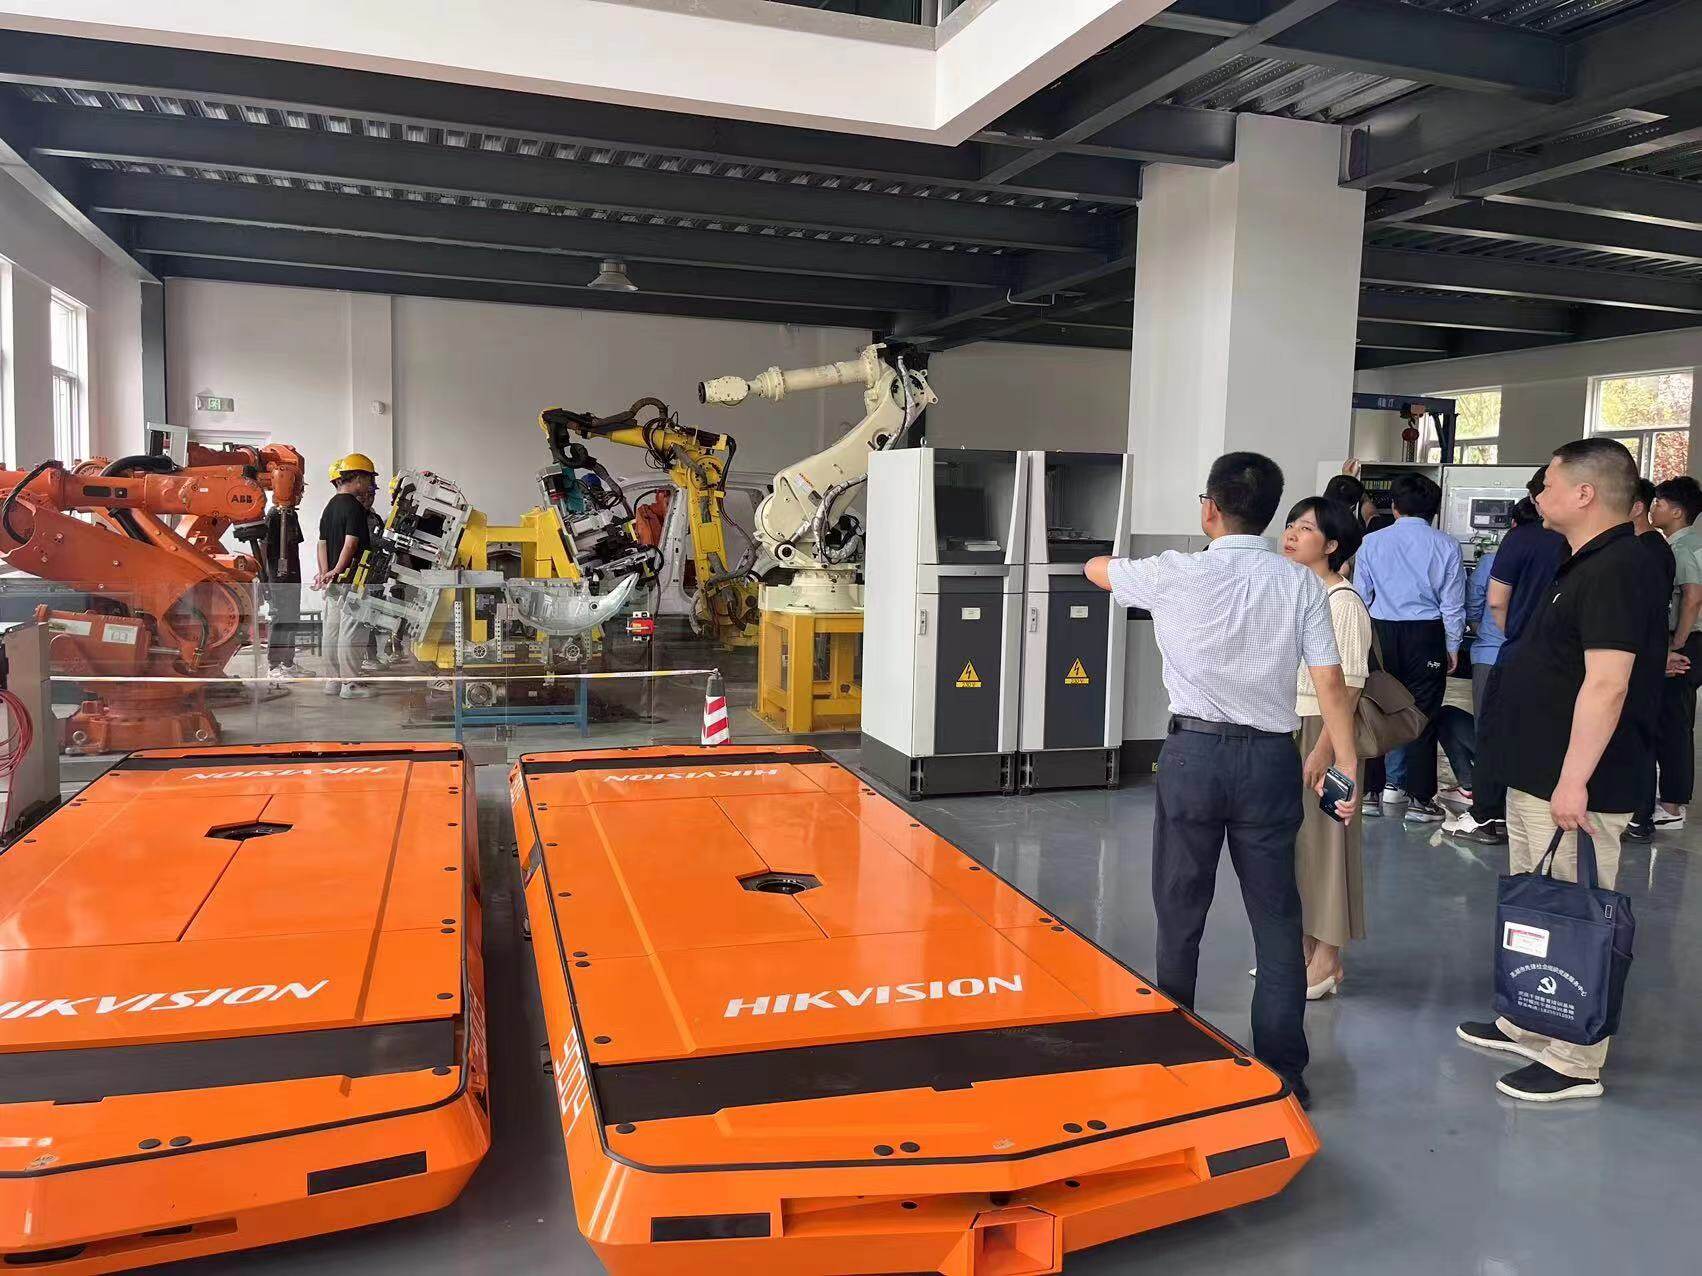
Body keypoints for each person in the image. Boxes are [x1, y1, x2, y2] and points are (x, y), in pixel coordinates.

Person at [1085, 452, 1359, 1104]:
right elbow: (1329, 681)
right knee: (1277, 916)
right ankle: (1284, 1072)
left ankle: (1174, 1049)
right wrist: (1346, 761)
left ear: (1209, 509)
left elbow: (1097, 569)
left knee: (1180, 908)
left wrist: (1113, 563)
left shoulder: (1172, 572)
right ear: (1270, 515)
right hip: (1270, 760)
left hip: (1193, 758)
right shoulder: (1300, 585)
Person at [1458, 438, 1666, 1103]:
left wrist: (1574, 779)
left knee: (1578, 914)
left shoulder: (1619, 568)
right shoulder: (1579, 561)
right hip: (1539, 776)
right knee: (1537, 904)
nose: (1536, 494)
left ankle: (1576, 1059)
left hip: (1578, 785)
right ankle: (1531, 1018)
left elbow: (1607, 683)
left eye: (1546, 483)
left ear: (1584, 493)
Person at [1280, 497, 1370, 999]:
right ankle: (1304, 951)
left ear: (1332, 545)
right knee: (1300, 845)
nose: (1292, 534)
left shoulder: (1343, 603)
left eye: (1307, 528)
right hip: (1295, 724)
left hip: (1327, 732)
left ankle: (1328, 959)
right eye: (1291, 524)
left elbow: (1348, 689)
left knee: (1329, 845)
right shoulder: (1301, 593)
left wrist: (1324, 750)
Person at [1452, 475, 1567, 840]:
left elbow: (1492, 600)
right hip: (1557, 657)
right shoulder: (1574, 543)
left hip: (1499, 651)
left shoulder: (1514, 544)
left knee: (1490, 731)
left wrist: (1510, 634)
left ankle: (1486, 812)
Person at [1352, 472, 1465, 824]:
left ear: (1395, 506)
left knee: (1374, 706)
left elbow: (1361, 597)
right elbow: (1452, 603)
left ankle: (1370, 793)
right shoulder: (1446, 545)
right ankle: (1419, 799)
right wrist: (1453, 644)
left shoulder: (1371, 542)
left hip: (1381, 634)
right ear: (1434, 509)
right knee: (1422, 713)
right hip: (1426, 635)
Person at [1645, 475, 1702, 832]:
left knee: (1672, 722)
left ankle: (1671, 806)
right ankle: (1671, 799)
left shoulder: (1680, 549)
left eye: (1659, 503)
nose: (1654, 508)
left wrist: (1675, 644)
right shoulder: (1695, 543)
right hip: (1694, 638)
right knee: (1677, 719)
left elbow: (1692, 597)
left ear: (1677, 512)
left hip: (1686, 640)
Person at [1627, 478, 1681, 842]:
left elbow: (1648, 611)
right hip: (1644, 652)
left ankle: (1639, 816)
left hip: (1642, 656)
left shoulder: (1649, 550)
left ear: (1636, 507)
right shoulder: (1644, 547)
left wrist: (1658, 653)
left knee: (1637, 733)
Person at [314, 453, 378, 700]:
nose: (370, 485)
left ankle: (333, 681)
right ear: (358, 478)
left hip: (333, 582)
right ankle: (350, 683)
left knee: (331, 630)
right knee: (351, 630)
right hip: (353, 579)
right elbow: (351, 544)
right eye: (369, 479)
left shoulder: (329, 506)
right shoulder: (354, 507)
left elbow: (321, 544)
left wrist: (325, 573)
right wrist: (338, 570)